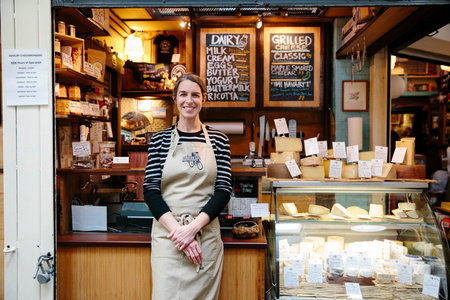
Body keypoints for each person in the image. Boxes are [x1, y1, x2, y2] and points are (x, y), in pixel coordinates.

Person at [143, 73, 232, 299]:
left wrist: (192, 230)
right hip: (168, 238)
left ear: (204, 99)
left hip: (205, 238)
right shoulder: (160, 140)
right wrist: (179, 233)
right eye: (183, 94)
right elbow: (151, 191)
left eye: (195, 95)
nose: (189, 101)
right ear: (175, 98)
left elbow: (223, 191)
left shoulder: (219, 140)